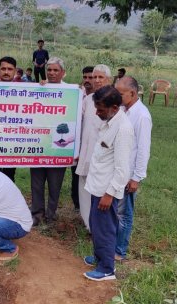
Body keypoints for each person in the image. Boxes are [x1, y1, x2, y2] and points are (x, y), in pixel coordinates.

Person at [82, 86, 133, 281]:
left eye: (100, 109)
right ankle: (99, 256)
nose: (97, 112)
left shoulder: (123, 129)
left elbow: (122, 169)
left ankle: (106, 269)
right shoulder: (110, 121)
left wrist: (109, 194)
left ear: (113, 107)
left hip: (106, 190)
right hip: (97, 185)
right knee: (96, 224)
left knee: (105, 228)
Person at [114, 76, 152, 261]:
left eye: (120, 94)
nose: (117, 97)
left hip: (129, 175)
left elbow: (144, 149)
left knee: (124, 213)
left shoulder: (142, 115)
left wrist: (136, 177)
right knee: (114, 212)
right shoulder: (122, 109)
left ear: (132, 93)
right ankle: (111, 246)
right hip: (117, 171)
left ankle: (119, 251)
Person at [30, 57, 68, 229]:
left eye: (55, 70)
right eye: (49, 70)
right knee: (36, 183)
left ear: (63, 73)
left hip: (58, 149)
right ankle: (37, 214)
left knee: (54, 184)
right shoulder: (39, 88)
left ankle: (51, 216)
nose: (52, 73)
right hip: (38, 146)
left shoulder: (71, 91)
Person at [75, 64, 112, 231]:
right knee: (84, 188)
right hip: (85, 151)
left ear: (109, 80)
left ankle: (98, 225)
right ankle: (88, 224)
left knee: (98, 190)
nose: (96, 81)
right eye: (94, 77)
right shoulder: (88, 100)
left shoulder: (115, 101)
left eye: (100, 77)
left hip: (104, 156)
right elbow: (77, 120)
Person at [71, 66, 95, 212]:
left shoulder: (101, 98)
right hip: (76, 143)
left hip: (92, 144)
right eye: (85, 77)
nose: (87, 80)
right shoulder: (77, 94)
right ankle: (77, 204)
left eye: (91, 77)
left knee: (91, 175)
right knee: (76, 174)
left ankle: (90, 207)